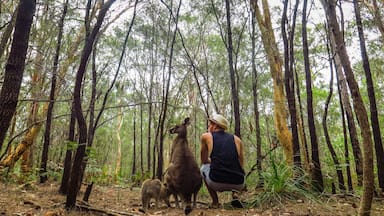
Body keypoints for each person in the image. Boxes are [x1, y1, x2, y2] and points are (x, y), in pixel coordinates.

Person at [200, 113, 245, 208]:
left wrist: (214, 161)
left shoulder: (206, 136)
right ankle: (235, 195)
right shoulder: (237, 139)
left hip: (216, 182)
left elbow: (204, 160)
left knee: (203, 168)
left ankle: (215, 202)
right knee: (237, 167)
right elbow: (240, 164)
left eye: (210, 123)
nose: (208, 125)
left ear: (215, 125)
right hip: (239, 183)